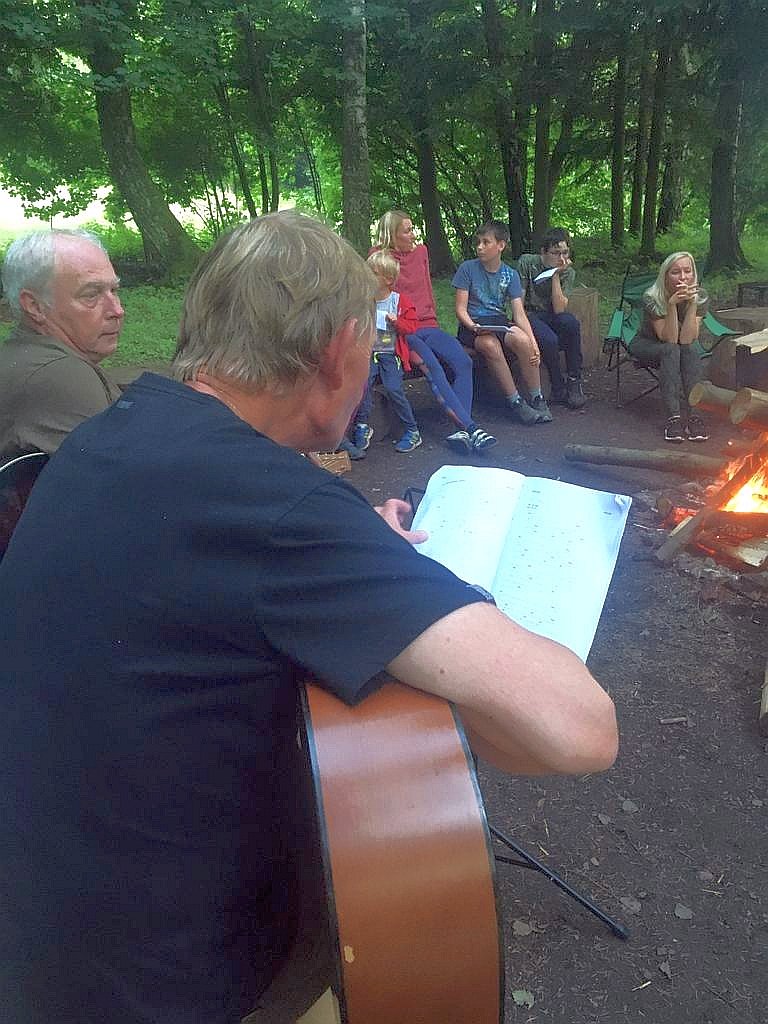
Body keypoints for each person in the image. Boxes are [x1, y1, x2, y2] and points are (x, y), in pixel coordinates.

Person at [0, 211, 618, 1024]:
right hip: (164, 985)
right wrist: (406, 575)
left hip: (39, 939)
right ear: (339, 350)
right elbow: (579, 730)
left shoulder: (110, 435)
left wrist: (358, 560)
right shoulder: (277, 510)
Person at [373, 210, 497, 453]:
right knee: (432, 366)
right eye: (407, 231)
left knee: (463, 362)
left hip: (428, 325)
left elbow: (427, 290)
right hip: (402, 332)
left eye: (412, 229)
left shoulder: (421, 252)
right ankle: (470, 427)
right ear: (391, 235)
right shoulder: (379, 260)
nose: (413, 235)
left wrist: (432, 320)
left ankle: (462, 431)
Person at [0, 229, 123, 459]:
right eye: (91, 295)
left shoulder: (25, 354)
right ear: (35, 306)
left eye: (114, 290)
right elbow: (126, 474)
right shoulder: (59, 374)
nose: (117, 310)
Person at [453, 221, 552, 425]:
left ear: (501, 245)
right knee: (490, 344)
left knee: (522, 340)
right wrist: (473, 326)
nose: (480, 247)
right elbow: (460, 309)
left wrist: (533, 343)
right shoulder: (467, 269)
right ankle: (515, 401)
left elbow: (519, 314)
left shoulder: (510, 274)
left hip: (498, 322)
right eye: (478, 242)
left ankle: (537, 398)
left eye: (486, 242)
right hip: (473, 325)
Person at [629, 251, 709, 443]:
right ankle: (674, 418)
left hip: (679, 347)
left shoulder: (700, 297)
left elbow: (688, 339)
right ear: (665, 275)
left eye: (687, 271)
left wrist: (692, 305)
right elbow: (669, 338)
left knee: (689, 350)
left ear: (693, 273)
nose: (683, 277)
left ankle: (694, 415)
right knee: (671, 350)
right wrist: (672, 305)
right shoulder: (652, 296)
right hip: (647, 344)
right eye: (675, 272)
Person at [352, 251, 422, 454]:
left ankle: (412, 430)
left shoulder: (399, 301)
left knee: (393, 388)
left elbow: (412, 327)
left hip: (391, 354)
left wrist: (397, 322)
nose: (367, 276)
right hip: (370, 353)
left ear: (388, 279)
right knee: (363, 384)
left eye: (373, 273)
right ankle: (362, 425)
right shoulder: (365, 302)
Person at [517, 227, 586, 409]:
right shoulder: (527, 262)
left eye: (565, 253)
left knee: (571, 323)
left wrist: (555, 275)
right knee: (550, 339)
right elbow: (519, 300)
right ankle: (557, 385)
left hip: (552, 314)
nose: (561, 258)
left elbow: (559, 309)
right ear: (543, 252)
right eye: (556, 253)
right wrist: (519, 320)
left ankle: (574, 380)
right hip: (530, 313)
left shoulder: (568, 272)